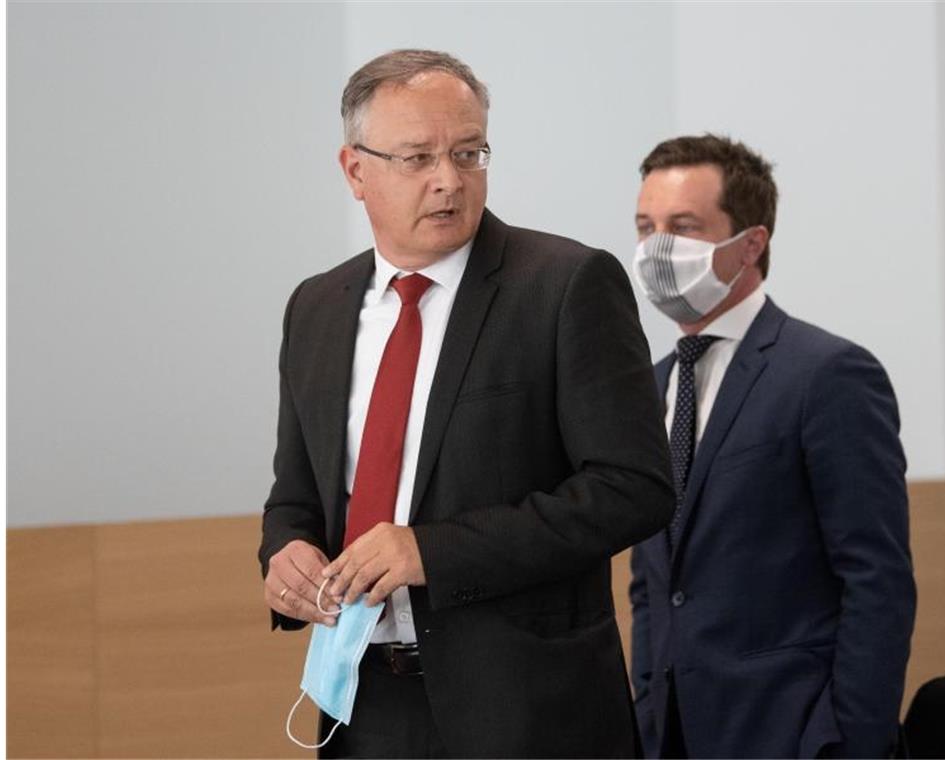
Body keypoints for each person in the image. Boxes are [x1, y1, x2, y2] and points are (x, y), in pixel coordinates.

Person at [258, 49, 674, 758]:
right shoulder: (317, 308)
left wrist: (432, 552)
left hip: (528, 713)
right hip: (364, 705)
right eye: (418, 158)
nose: (449, 180)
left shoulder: (566, 286)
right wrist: (283, 553)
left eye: (469, 152)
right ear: (355, 170)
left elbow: (634, 489)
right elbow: (297, 493)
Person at [628, 134, 916, 759]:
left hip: (797, 735)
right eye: (646, 227)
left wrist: (853, 742)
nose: (657, 249)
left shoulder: (827, 373)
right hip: (673, 738)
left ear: (751, 243)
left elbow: (877, 578)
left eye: (684, 226)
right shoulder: (646, 388)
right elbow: (652, 583)